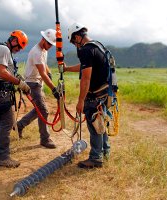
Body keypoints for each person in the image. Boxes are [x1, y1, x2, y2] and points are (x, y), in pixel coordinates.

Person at [63, 22, 111, 168]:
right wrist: (67, 69)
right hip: (104, 92)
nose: (74, 44)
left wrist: (81, 101)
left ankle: (96, 158)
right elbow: (85, 67)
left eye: (73, 41)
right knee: (100, 122)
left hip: (94, 95)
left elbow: (86, 77)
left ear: (77, 37)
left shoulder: (86, 50)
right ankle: (105, 151)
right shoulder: (97, 46)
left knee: (95, 124)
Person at [0, 30, 31, 168]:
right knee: (7, 122)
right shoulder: (3, 49)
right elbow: (2, 71)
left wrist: (17, 79)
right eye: (18, 47)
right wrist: (19, 83)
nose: (18, 50)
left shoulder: (4, 50)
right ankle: (3, 157)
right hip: (1, 92)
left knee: (1, 122)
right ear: (13, 41)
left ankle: (0, 152)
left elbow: (7, 72)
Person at [16, 28, 60, 149]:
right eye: (49, 44)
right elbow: (42, 73)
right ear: (44, 39)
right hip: (32, 84)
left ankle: (19, 125)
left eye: (52, 45)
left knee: (38, 110)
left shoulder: (44, 49)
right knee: (43, 111)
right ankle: (45, 139)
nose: (50, 46)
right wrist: (54, 89)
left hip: (38, 83)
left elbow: (44, 65)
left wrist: (49, 72)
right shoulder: (36, 52)